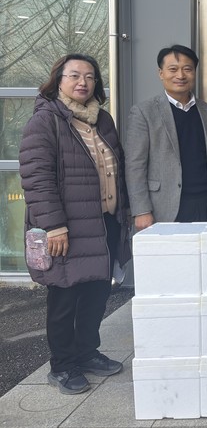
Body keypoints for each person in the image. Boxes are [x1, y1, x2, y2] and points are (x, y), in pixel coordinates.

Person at [19, 54, 131, 395]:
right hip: (66, 228)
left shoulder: (102, 119)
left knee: (96, 293)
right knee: (65, 297)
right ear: (59, 80)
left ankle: (87, 353)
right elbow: (37, 178)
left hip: (104, 223)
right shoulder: (46, 120)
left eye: (90, 76)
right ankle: (63, 365)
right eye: (74, 75)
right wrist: (54, 225)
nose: (83, 82)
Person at [125, 45, 207, 229]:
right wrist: (141, 210)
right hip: (163, 206)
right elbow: (135, 166)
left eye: (187, 69)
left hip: (206, 203)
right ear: (161, 73)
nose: (180, 75)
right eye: (173, 69)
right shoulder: (144, 112)